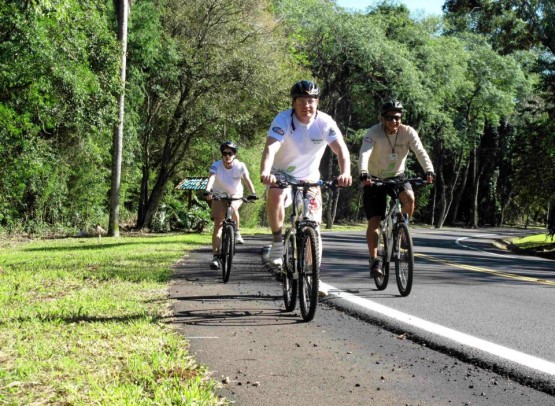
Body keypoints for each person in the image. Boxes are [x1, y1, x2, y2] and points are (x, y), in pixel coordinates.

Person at [260, 80, 352, 267]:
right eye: (301, 101)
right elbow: (271, 148)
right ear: (293, 103)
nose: (306, 106)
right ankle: (277, 241)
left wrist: (346, 172)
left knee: (313, 226)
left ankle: (312, 277)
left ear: (317, 102)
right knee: (275, 193)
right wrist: (266, 172)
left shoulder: (325, 122)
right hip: (282, 173)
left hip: (310, 178)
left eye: (311, 101)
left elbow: (341, 149)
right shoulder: (283, 119)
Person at [358, 100, 434, 277]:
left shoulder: (408, 132)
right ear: (382, 119)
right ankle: (374, 260)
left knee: (409, 197)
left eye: (397, 117)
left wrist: (429, 170)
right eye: (390, 118)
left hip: (397, 176)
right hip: (374, 178)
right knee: (375, 221)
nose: (394, 121)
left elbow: (420, 152)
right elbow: (364, 152)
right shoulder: (373, 132)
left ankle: (402, 229)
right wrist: (363, 172)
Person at [205, 141, 257, 270]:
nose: (227, 156)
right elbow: (211, 178)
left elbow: (246, 179)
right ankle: (216, 257)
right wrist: (208, 191)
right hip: (219, 194)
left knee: (232, 207)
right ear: (222, 155)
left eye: (230, 153)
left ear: (234, 154)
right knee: (218, 224)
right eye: (225, 153)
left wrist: (253, 193)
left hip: (235, 194)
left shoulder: (240, 166)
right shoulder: (216, 165)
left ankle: (237, 232)